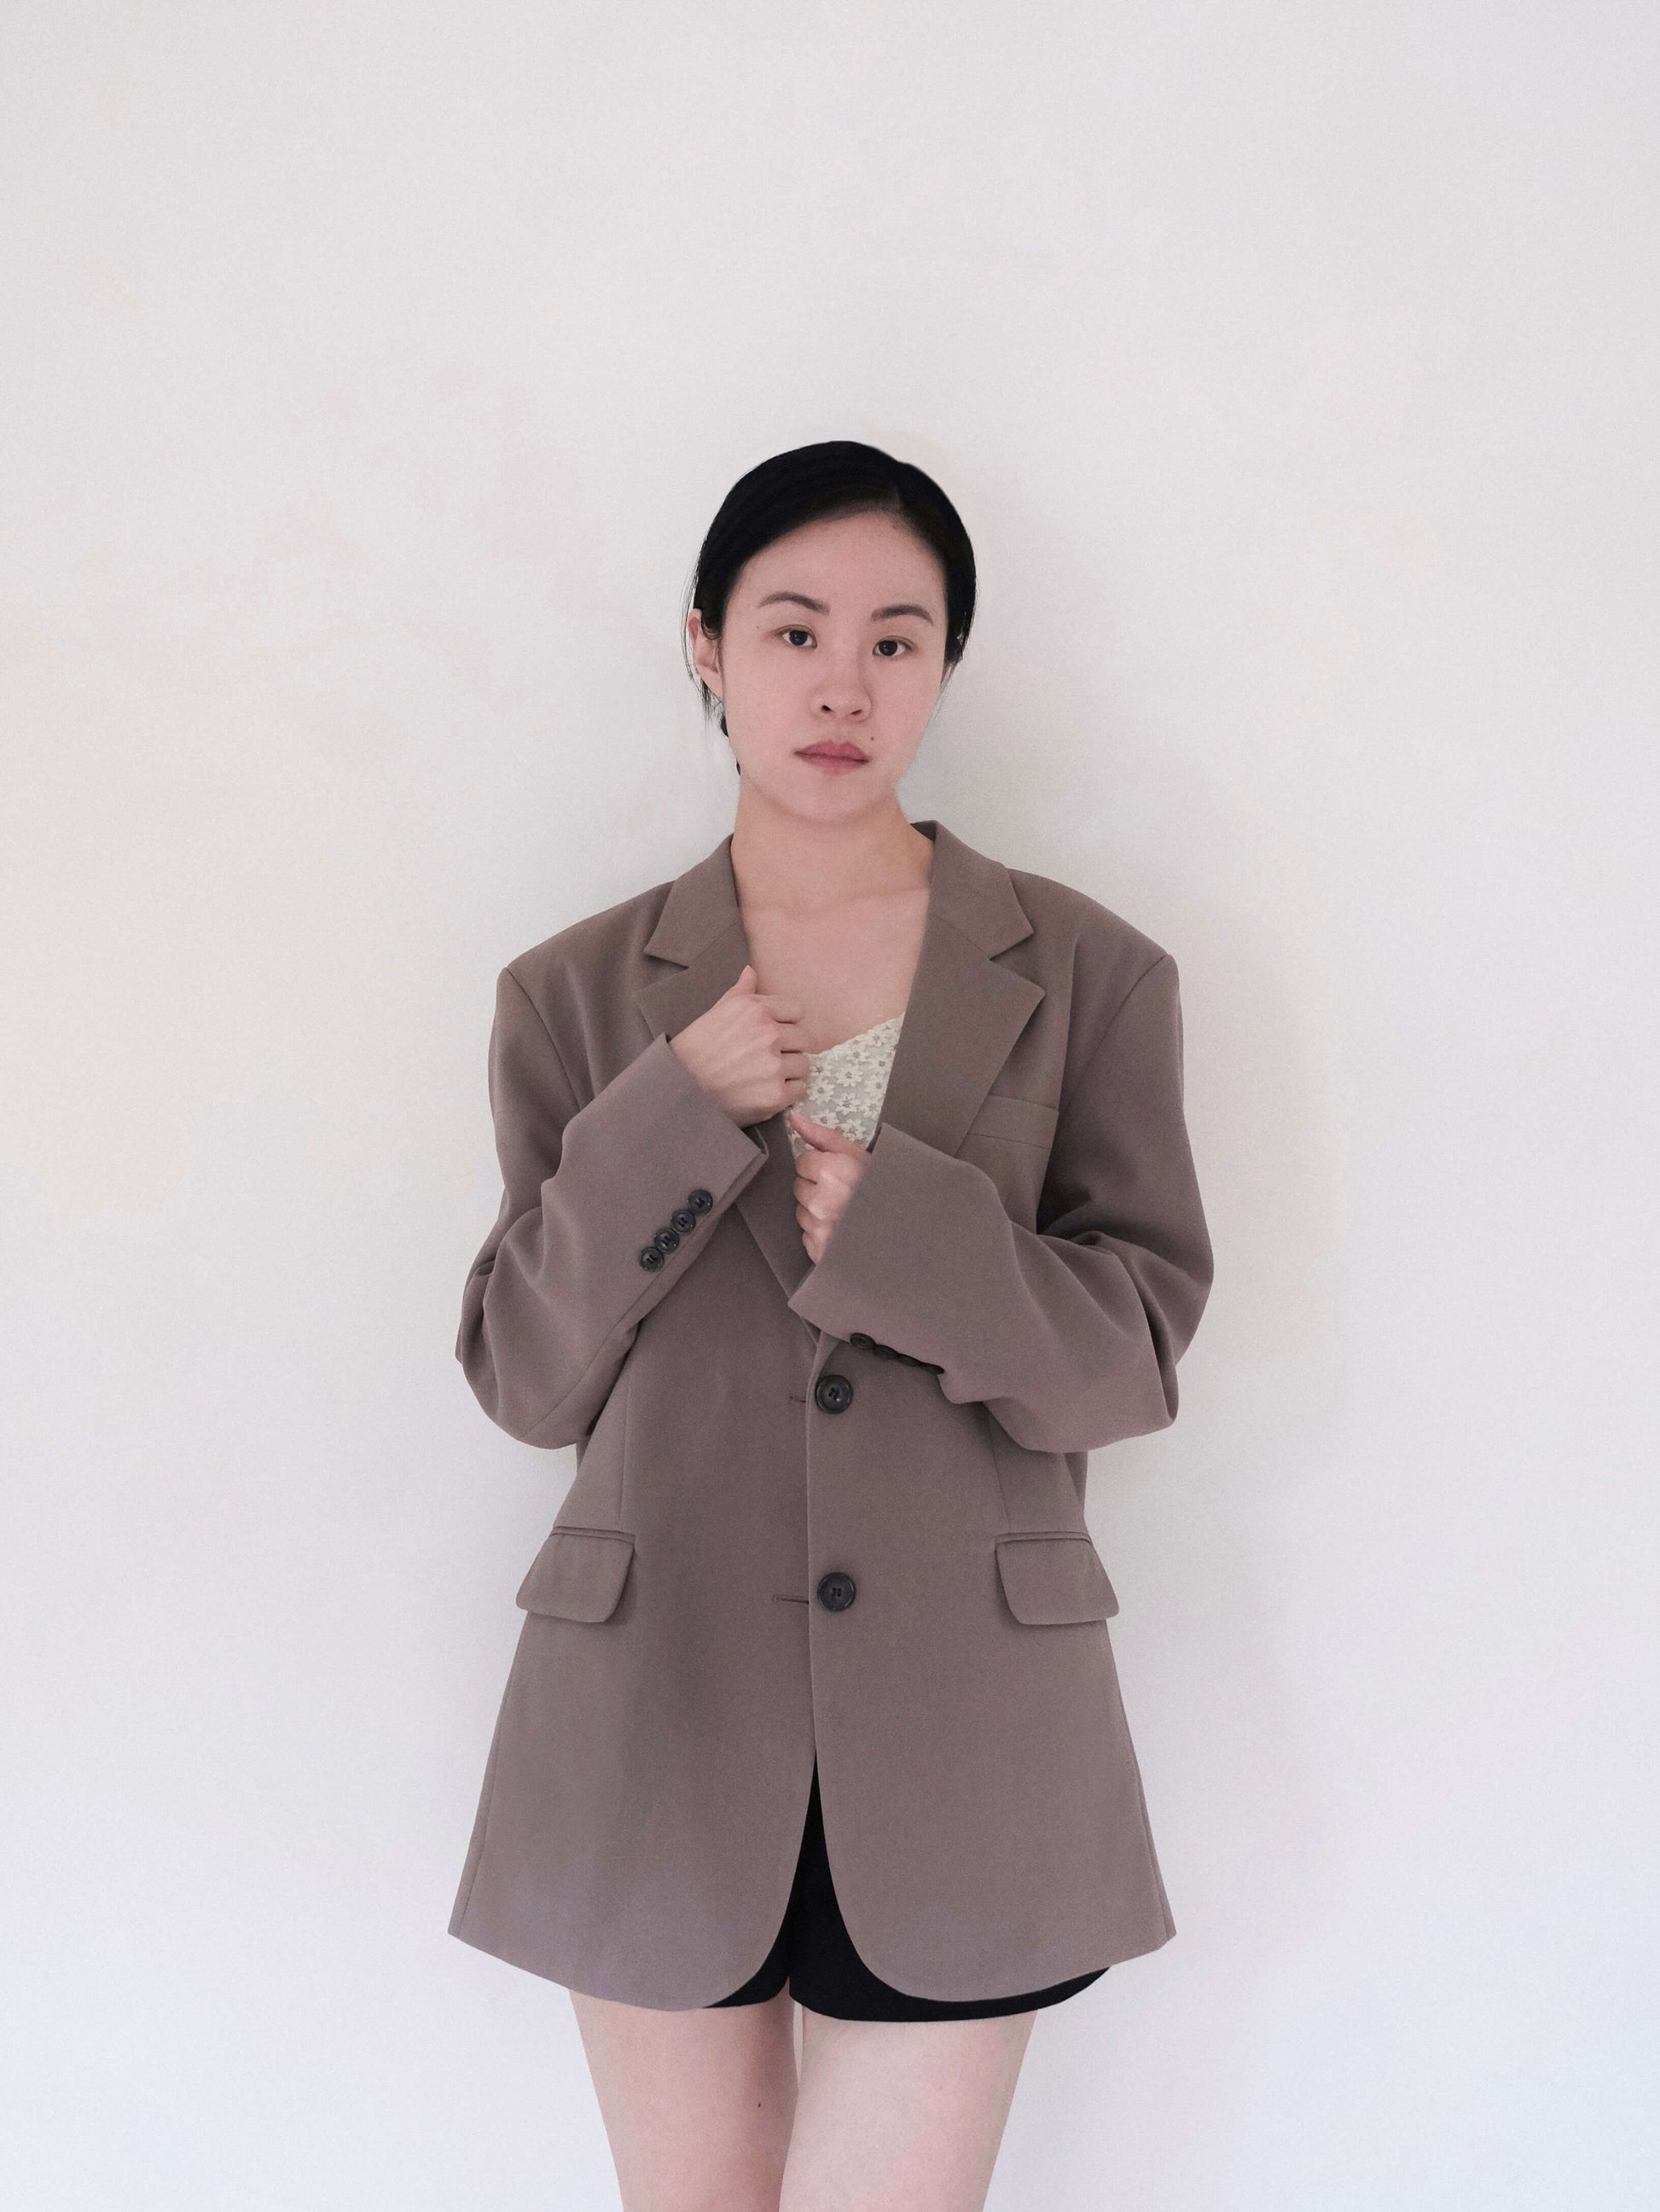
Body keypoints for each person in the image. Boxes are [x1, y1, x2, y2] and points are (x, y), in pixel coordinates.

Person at [449, 441, 1214, 2210]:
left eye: (896, 638)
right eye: (793, 630)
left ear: (946, 666)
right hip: (654, 1707)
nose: (842, 684)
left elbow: (1129, 1360)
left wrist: (911, 1242)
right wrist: (671, 1113)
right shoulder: (573, 995)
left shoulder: (1092, 974)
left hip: (967, 1719)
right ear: (705, 649)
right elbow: (526, 1373)